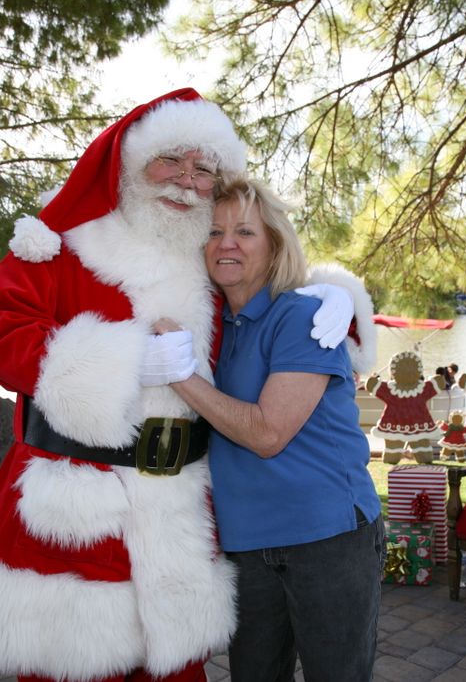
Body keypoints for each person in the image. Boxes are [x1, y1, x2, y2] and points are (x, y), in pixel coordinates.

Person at [0, 89, 377, 682]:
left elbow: (269, 301)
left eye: (203, 169)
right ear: (131, 163)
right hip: (81, 508)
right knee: (76, 665)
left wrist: (336, 295)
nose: (185, 180)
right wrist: (126, 360)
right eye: (170, 160)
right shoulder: (64, 244)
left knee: (177, 667)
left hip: (179, 513)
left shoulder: (206, 261)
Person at [161, 178, 385, 682]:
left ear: (275, 244)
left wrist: (182, 377)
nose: (226, 244)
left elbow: (267, 434)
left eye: (245, 231)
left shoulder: (303, 315)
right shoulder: (215, 324)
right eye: (214, 232)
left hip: (326, 537)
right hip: (248, 543)